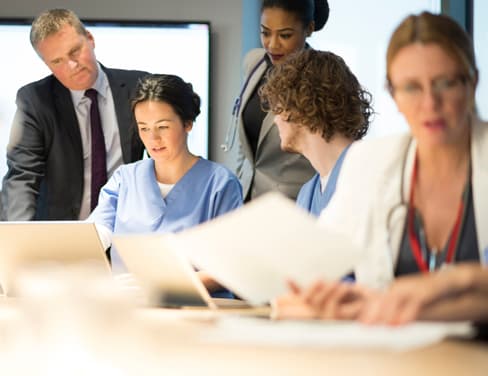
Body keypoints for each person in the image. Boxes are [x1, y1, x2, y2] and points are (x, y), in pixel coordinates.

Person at [273, 12, 488, 321]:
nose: (430, 103)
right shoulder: (371, 163)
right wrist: (334, 302)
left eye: (446, 83)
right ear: (394, 94)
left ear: (472, 82)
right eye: (412, 87)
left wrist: (458, 281)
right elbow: (310, 270)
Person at [88, 74, 243, 293]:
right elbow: (94, 235)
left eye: (162, 127)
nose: (153, 139)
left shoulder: (220, 184)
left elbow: (231, 267)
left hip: (198, 313)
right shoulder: (125, 180)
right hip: (129, 311)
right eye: (144, 128)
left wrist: (162, 284)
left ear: (187, 123)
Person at [1, 8, 147, 221]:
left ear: (90, 39)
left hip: (125, 230)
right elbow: (22, 176)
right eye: (57, 61)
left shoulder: (137, 87)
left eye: (74, 51)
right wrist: (19, 238)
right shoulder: (35, 100)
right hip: (63, 235)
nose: (71, 66)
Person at [227, 0, 330, 201]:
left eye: (285, 35)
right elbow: (247, 144)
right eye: (265, 33)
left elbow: (330, 155)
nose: (273, 45)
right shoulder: (254, 62)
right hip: (245, 198)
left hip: (292, 205)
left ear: (309, 29)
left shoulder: (322, 81)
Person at [259, 49, 372, 216]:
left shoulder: (368, 176)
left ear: (299, 106)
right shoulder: (307, 194)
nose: (275, 120)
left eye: (278, 108)